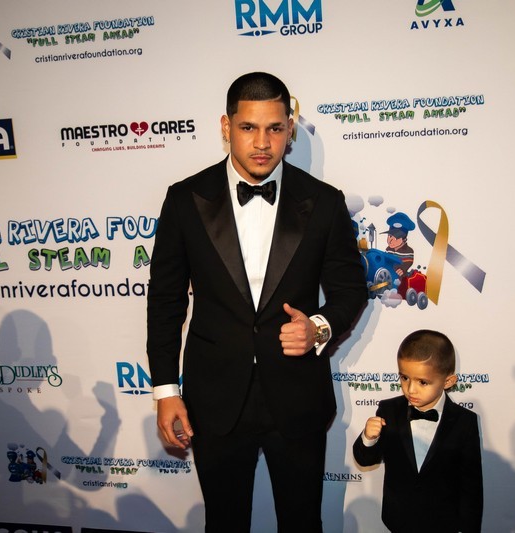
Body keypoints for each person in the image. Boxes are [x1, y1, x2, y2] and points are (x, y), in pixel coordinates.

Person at [146, 72, 367, 532]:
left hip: (297, 395)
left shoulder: (324, 202)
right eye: (248, 127)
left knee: (302, 523)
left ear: (290, 128)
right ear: (226, 127)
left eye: (274, 128)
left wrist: (318, 327)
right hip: (215, 399)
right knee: (224, 524)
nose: (262, 143)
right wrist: (166, 391)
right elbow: (166, 301)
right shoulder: (185, 199)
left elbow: (350, 289)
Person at [352, 329, 483, 533]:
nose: (411, 389)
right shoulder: (389, 410)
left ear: (448, 381)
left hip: (444, 523)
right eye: (404, 378)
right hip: (398, 519)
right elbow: (366, 459)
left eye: (423, 382)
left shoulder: (464, 422)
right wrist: (369, 438)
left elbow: (471, 486)